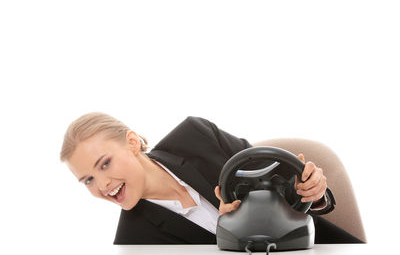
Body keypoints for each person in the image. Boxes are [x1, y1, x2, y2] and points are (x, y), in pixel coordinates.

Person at [60, 112, 361, 245]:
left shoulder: (195, 136)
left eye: (104, 164)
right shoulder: (134, 242)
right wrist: (229, 234)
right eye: (87, 180)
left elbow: (286, 180)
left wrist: (312, 190)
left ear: (132, 142)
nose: (103, 186)